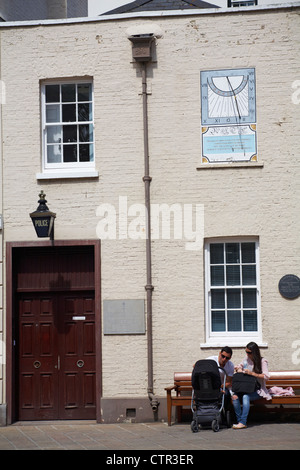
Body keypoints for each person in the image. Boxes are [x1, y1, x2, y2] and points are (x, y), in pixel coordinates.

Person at [232, 342, 271, 429]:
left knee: (246, 397)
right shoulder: (246, 359)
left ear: (254, 352)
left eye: (249, 352)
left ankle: (242, 422)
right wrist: (238, 368)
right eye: (246, 351)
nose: (247, 354)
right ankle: (240, 421)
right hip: (245, 387)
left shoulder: (262, 361)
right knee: (234, 396)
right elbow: (240, 365)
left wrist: (253, 373)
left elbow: (266, 376)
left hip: (257, 390)